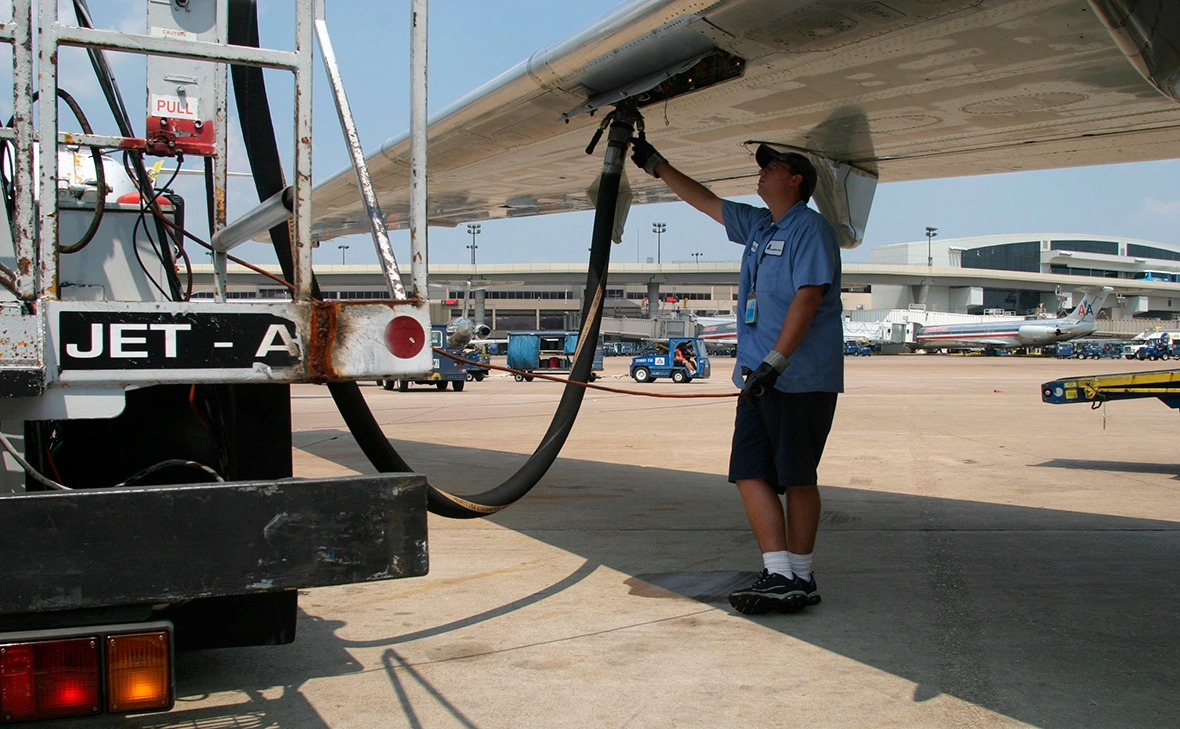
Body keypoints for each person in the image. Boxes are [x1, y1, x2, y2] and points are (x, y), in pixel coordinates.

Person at [631, 137, 842, 615]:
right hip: (756, 377)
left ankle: (801, 576)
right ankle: (779, 572)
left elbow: (807, 299)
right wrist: (659, 166)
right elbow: (705, 201)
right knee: (748, 472)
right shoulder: (760, 225)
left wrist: (776, 362)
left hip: (799, 376)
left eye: (773, 168)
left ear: (796, 181)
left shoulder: (811, 230)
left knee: (797, 477)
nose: (761, 172)